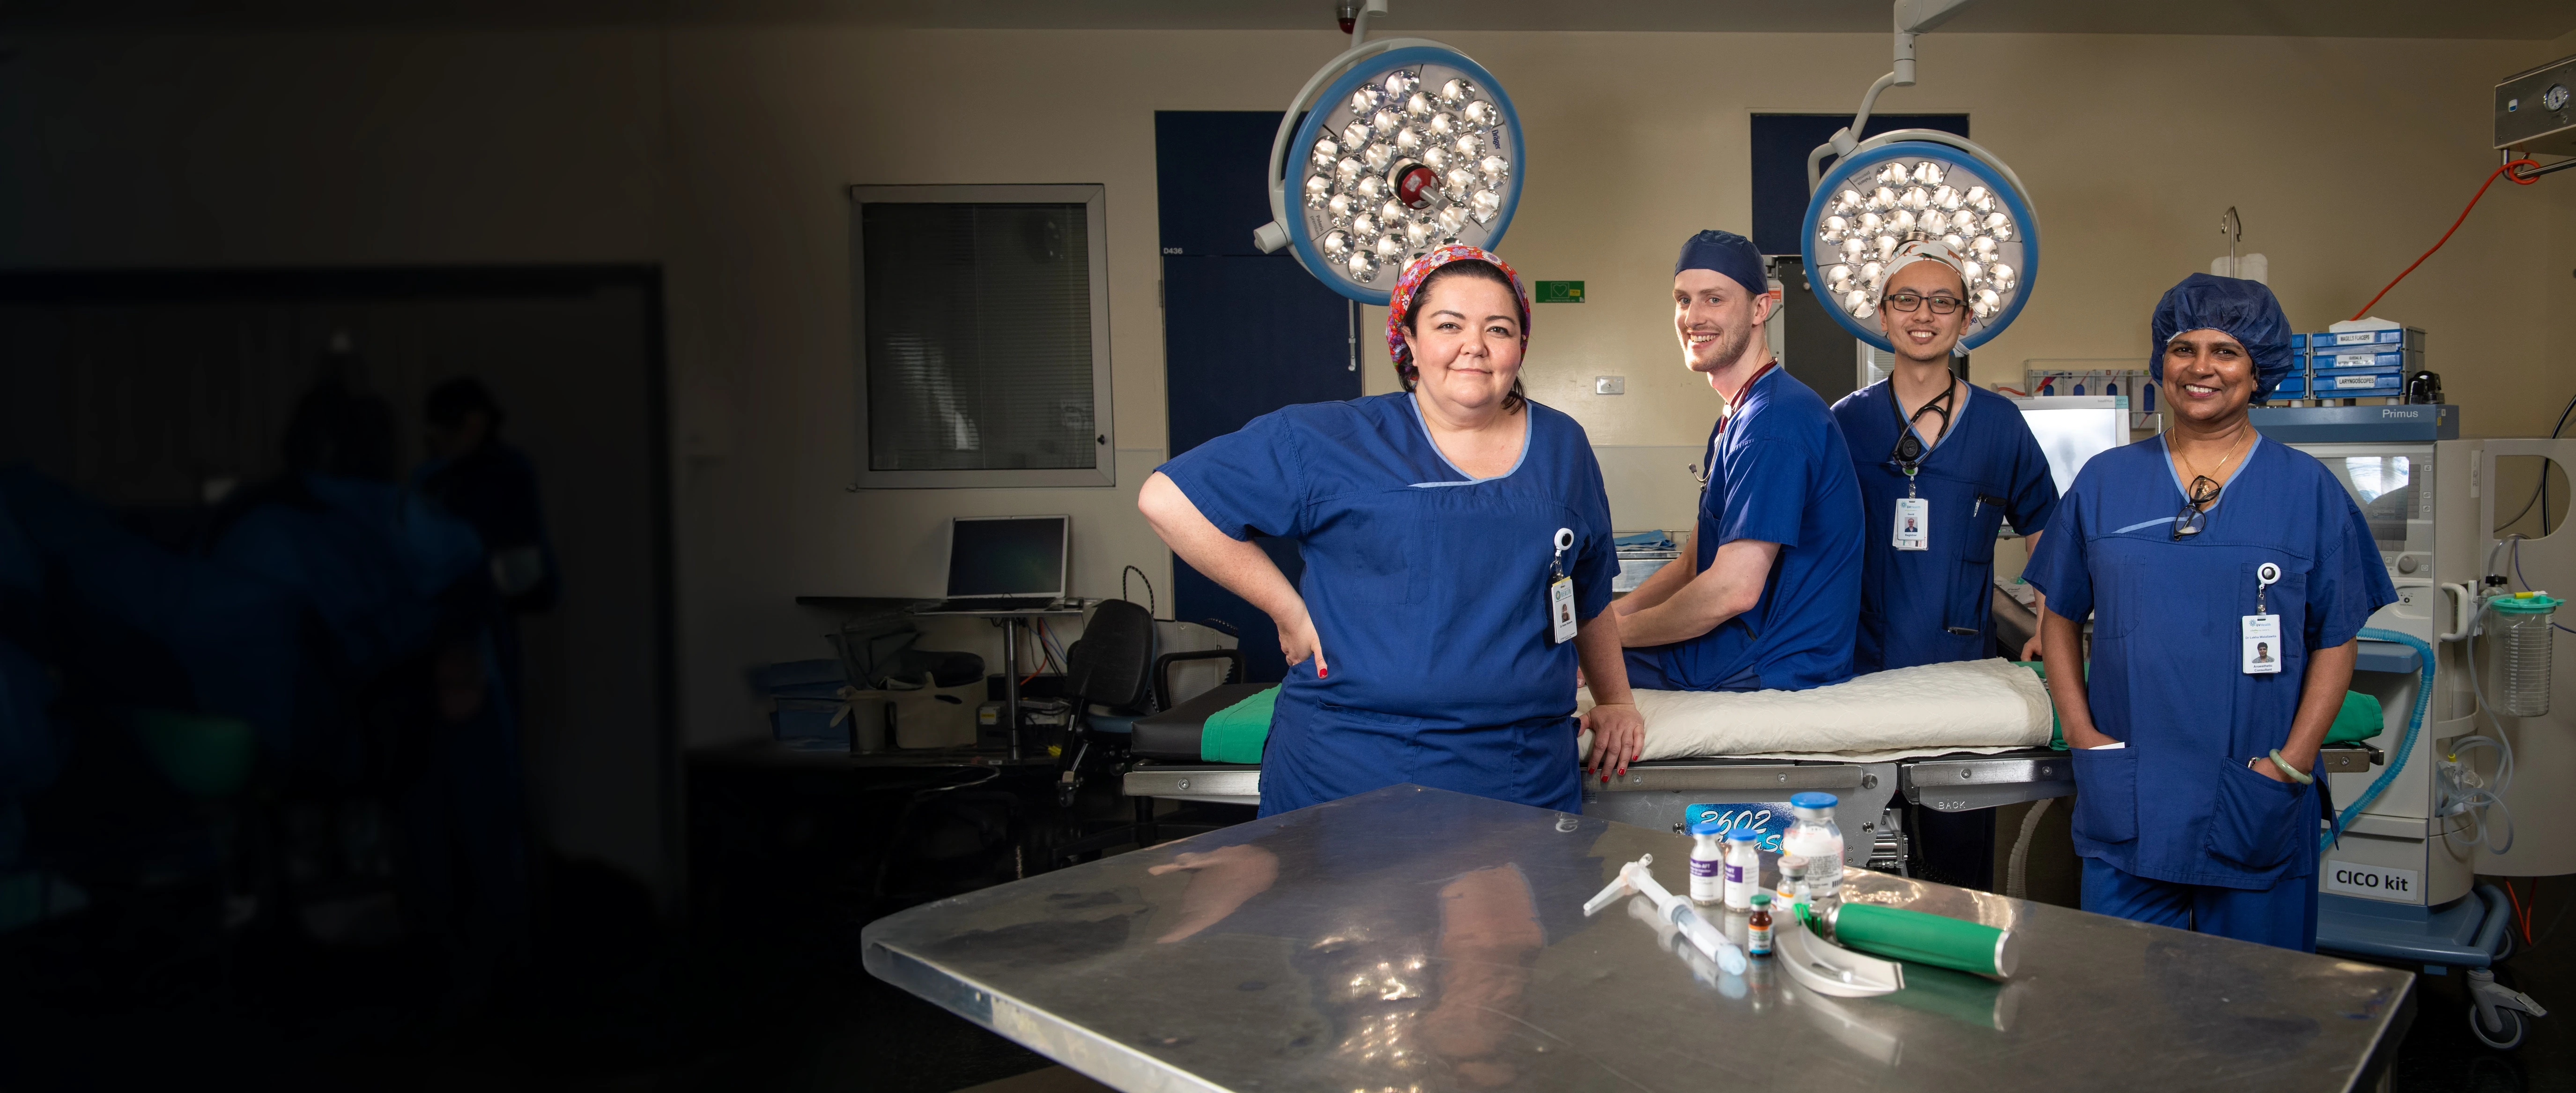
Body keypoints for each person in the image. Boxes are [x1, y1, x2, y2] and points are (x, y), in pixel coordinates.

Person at [1138, 246, 1645, 816]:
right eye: (1448, 325)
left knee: (1527, 906)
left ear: (1519, 346)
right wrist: (1288, 609)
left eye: (1498, 328)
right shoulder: (1335, 438)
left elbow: (1585, 590)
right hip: (1351, 766)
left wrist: (1617, 699)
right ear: (1408, 339)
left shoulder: (1562, 446)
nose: (1473, 345)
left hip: (1517, 768)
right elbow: (1168, 499)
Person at [2025, 273, 2396, 952]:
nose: (2201, 368)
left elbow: (2337, 638)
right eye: (2183, 347)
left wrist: (2292, 762)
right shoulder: (2106, 484)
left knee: (2259, 1009)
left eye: (2225, 351)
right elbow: (2058, 616)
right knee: (2119, 996)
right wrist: (2080, 731)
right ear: (2160, 363)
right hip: (2132, 785)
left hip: (2253, 786)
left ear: (2259, 371)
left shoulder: (2307, 491)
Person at [1619, 229, 1864, 693]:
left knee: (1551, 675)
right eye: (1683, 299)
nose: (1693, 316)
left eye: (1714, 299)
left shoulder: (1775, 422)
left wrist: (1605, 640)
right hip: (1739, 647)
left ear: (1760, 308)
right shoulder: (1736, 415)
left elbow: (1733, 590)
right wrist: (1610, 617)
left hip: (1770, 663)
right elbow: (1693, 564)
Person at [1829, 238, 2059, 671]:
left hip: (1965, 665)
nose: (1923, 315)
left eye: (1942, 302)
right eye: (1906, 299)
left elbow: (2045, 527)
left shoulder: (2000, 425)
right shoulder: (1845, 423)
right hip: (1860, 665)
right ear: (1883, 314)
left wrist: (2049, 625)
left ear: (1967, 318)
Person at [415, 377, 557, 708]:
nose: (437, 441)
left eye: (445, 429)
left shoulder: (501, 473)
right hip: (454, 619)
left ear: (475, 425)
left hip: (480, 617)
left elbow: (522, 563)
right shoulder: (437, 477)